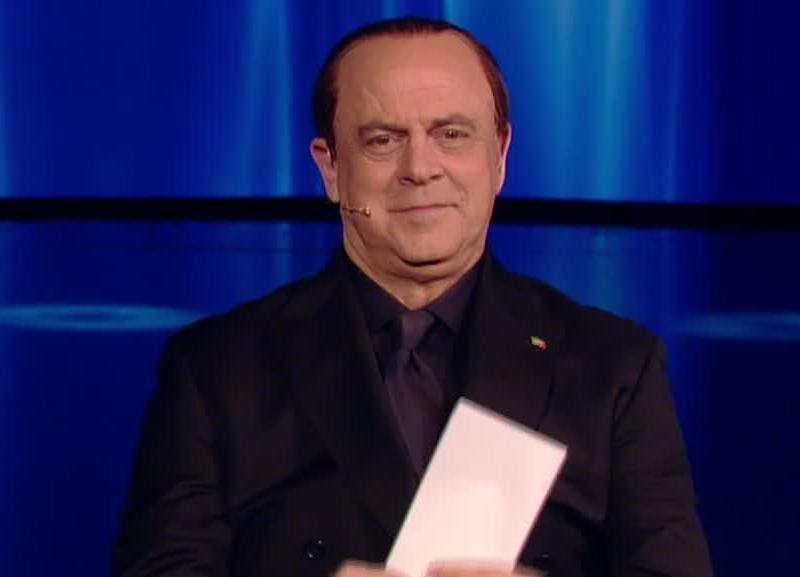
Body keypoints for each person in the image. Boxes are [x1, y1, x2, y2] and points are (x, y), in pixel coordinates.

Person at [112, 17, 714, 577]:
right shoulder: (217, 368)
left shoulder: (613, 366)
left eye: (451, 134)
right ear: (330, 167)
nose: (420, 168)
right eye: (383, 140)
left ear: (500, 156)